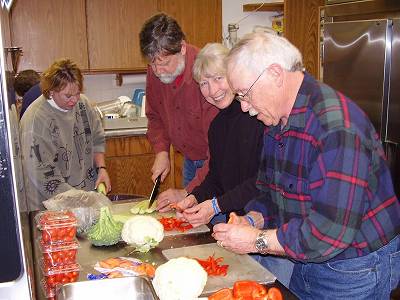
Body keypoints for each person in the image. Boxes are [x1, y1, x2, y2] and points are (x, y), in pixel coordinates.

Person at [213, 32, 400, 299]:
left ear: (275, 74)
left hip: (355, 266)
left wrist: (256, 240)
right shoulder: (277, 118)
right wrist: (252, 219)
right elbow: (269, 190)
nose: (244, 107)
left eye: (244, 94)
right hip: (305, 255)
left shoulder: (336, 127)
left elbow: (328, 233)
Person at [157, 43, 264, 225]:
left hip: (262, 218)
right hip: (235, 220)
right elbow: (216, 178)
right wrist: (194, 198)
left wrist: (215, 206)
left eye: (218, 78)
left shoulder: (258, 117)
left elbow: (260, 181)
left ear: (233, 75)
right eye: (204, 83)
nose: (213, 91)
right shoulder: (218, 126)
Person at [139, 13, 218, 201]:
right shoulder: (156, 69)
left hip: (215, 164)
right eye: (152, 64)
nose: (158, 72)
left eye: (165, 63)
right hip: (190, 160)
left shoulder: (206, 75)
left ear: (181, 48)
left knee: (213, 224)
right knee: (191, 220)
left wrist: (186, 192)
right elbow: (155, 116)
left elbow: (219, 151)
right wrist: (162, 152)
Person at [20, 58, 111, 211]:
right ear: (50, 92)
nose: (75, 100)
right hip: (50, 204)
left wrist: (102, 168)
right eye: (68, 96)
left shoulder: (83, 103)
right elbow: (43, 175)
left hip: (84, 195)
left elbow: (97, 138)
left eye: (78, 93)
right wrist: (82, 200)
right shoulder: (35, 120)